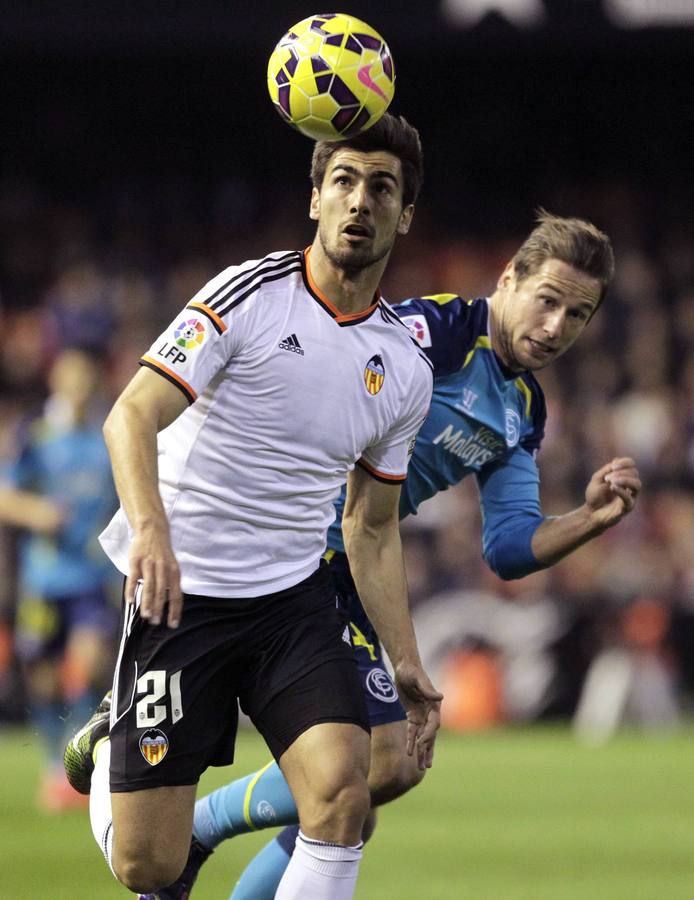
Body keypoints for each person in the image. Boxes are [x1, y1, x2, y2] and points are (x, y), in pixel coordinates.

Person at [153, 210, 642, 900]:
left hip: (348, 566)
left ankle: (199, 827)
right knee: (368, 776)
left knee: (371, 787)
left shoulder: (523, 410)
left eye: (578, 315)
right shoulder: (436, 332)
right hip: (293, 544)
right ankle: (197, 822)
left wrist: (590, 519)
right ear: (508, 280)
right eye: (548, 300)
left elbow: (508, 547)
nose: (557, 326)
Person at [62, 112, 441, 900]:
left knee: (344, 794)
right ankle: (109, 747)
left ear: (405, 215)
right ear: (315, 200)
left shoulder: (404, 368)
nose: (359, 201)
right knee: (151, 867)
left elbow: (369, 526)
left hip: (290, 604)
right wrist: (152, 536)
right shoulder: (250, 295)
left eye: (381, 187)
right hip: (181, 594)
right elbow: (129, 414)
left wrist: (405, 659)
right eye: (343, 181)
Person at [0, 347, 118, 812]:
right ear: (56, 379)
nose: (80, 383)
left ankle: (81, 763)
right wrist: (39, 513)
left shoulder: (110, 431)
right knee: (45, 679)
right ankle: (56, 765)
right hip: (45, 580)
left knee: (87, 665)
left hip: (93, 574)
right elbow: (6, 497)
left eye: (88, 375)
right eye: (72, 374)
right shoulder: (35, 433)